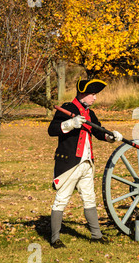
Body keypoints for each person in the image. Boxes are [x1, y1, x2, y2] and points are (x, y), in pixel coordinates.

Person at [48, 78, 123, 248]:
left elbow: (98, 131)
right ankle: (55, 239)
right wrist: (70, 124)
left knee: (89, 199)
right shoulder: (67, 109)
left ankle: (96, 235)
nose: (95, 98)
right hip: (70, 163)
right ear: (83, 94)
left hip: (87, 162)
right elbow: (52, 130)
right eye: (92, 95)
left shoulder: (90, 113)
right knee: (61, 199)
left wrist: (111, 136)